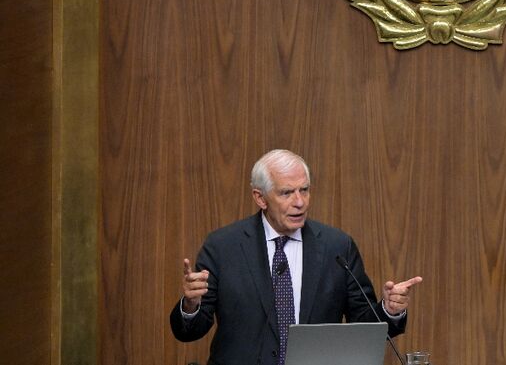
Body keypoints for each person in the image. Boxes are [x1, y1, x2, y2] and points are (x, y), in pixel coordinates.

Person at [169, 149, 423, 364]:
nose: (299, 202)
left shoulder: (337, 247)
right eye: (287, 192)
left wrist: (389, 310)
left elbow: (366, 327)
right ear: (260, 198)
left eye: (305, 190)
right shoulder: (223, 246)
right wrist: (190, 306)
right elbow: (189, 331)